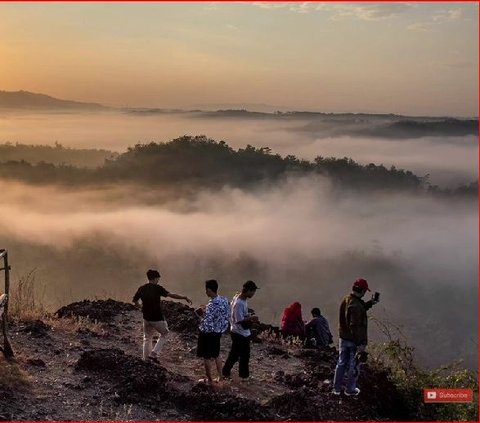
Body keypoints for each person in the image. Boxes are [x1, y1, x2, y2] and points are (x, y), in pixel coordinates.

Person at [132, 269, 192, 362]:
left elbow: (135, 301)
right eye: (158, 278)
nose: (158, 280)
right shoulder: (157, 288)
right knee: (165, 333)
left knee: (147, 337)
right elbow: (171, 295)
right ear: (155, 278)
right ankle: (154, 353)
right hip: (157, 317)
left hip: (146, 317)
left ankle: (145, 359)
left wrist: (141, 308)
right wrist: (184, 297)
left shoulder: (142, 288)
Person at [332, 278, 379, 396]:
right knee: (354, 365)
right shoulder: (356, 304)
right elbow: (354, 324)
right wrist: (360, 344)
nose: (364, 293)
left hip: (343, 338)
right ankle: (350, 389)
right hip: (354, 341)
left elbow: (357, 311)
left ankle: (336, 388)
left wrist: (370, 303)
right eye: (365, 291)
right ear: (362, 290)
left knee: (341, 362)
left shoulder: (347, 299)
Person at [222, 280, 259, 381]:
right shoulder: (239, 303)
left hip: (240, 332)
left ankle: (238, 374)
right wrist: (252, 318)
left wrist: (248, 315)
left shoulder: (239, 297)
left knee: (241, 355)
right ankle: (230, 373)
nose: (253, 294)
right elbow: (238, 320)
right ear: (248, 291)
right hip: (239, 332)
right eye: (253, 292)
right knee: (238, 355)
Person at [196, 279, 230, 384]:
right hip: (218, 332)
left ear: (210, 290)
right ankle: (220, 377)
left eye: (206, 290)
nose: (205, 292)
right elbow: (225, 315)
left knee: (206, 356)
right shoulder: (224, 300)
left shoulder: (211, 305)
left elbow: (207, 323)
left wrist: (200, 315)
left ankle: (209, 380)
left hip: (207, 334)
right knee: (216, 354)